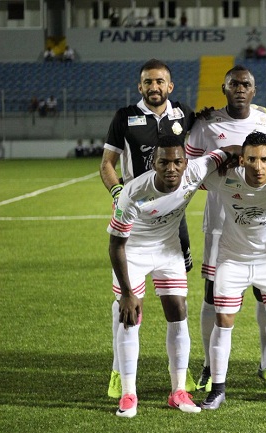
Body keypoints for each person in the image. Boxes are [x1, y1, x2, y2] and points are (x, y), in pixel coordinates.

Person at [108, 135, 232, 418]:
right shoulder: (133, 192)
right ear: (154, 163)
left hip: (168, 250)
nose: (172, 168)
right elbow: (116, 245)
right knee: (130, 317)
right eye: (164, 162)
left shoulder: (195, 171)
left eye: (178, 162)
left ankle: (178, 391)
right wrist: (127, 293)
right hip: (134, 252)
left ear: (185, 162)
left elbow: (226, 152)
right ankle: (129, 394)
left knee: (178, 310)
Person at [100, 59, 196, 399]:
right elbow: (107, 164)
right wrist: (118, 195)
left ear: (170, 86)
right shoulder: (125, 117)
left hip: (172, 219)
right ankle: (118, 369)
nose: (153, 86)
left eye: (159, 81)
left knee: (177, 299)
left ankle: (181, 375)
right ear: (140, 87)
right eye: (147, 82)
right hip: (136, 212)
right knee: (126, 301)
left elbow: (203, 147)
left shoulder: (184, 114)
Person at [185, 65, 266, 393]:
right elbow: (191, 173)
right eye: (234, 84)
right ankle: (210, 367)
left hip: (261, 227)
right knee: (213, 298)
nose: (240, 89)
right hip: (219, 225)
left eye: (246, 84)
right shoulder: (205, 124)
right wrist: (222, 177)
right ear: (223, 88)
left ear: (254, 90)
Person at [199, 131, 266, 409]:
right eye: (251, 159)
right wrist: (226, 151)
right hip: (233, 260)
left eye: (264, 160)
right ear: (241, 160)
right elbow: (194, 169)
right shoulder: (224, 177)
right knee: (223, 321)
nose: (258, 167)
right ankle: (218, 388)